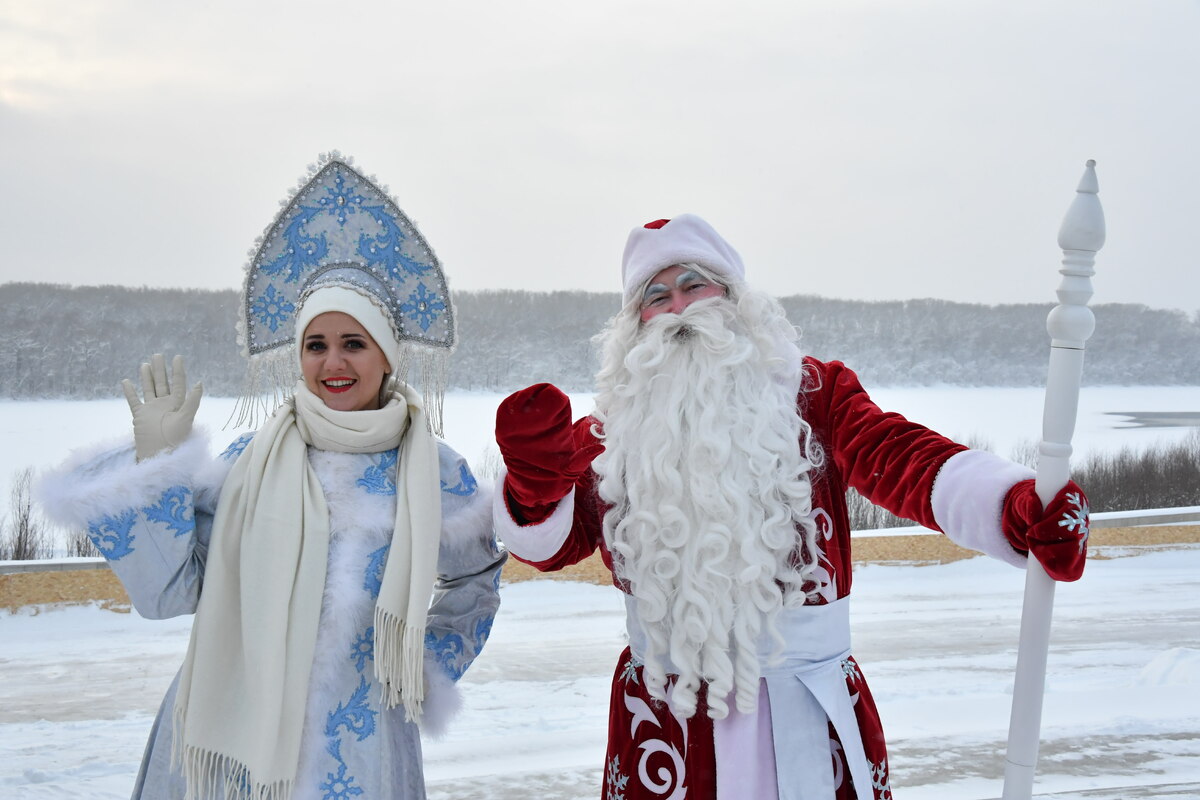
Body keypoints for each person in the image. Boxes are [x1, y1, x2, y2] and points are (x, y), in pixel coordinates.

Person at [492, 214, 1090, 800]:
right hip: (664, 723)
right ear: (635, 323)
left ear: (733, 295)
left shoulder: (814, 395)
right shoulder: (611, 431)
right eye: (656, 295)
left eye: (695, 284)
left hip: (808, 707)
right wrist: (531, 485)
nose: (679, 308)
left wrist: (1011, 503)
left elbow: (894, 455)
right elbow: (551, 544)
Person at [37, 156, 505, 800]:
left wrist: (416, 670)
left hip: (363, 749)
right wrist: (156, 475)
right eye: (316, 344)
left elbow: (475, 583)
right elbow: (168, 593)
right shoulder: (246, 461)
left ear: (386, 355)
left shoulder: (433, 470)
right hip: (229, 752)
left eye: (353, 342)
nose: (333, 362)